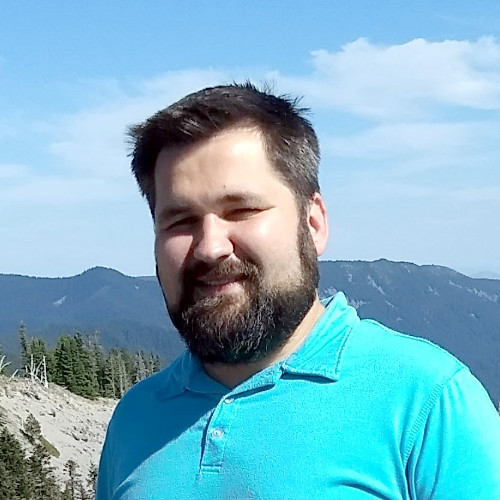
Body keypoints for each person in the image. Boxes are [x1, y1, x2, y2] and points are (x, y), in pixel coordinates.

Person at [96, 82, 500, 499]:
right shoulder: (135, 418)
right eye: (180, 221)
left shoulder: (427, 402)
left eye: (242, 210)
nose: (210, 247)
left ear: (313, 224)